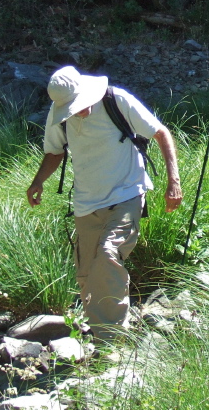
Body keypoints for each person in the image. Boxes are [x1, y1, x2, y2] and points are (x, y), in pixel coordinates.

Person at [26, 66, 182, 342]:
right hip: (86, 203)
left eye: (81, 105)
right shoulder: (59, 113)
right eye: (72, 109)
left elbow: (161, 133)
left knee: (108, 256)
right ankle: (101, 332)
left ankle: (111, 341)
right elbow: (54, 152)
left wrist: (174, 181)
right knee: (87, 275)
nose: (78, 112)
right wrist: (38, 182)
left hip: (127, 194)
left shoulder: (116, 101)